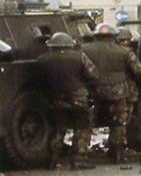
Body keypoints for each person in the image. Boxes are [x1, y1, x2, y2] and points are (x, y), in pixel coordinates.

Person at [82, 23, 141, 163]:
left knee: (87, 123)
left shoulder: (83, 50)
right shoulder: (124, 51)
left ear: (95, 35)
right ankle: (117, 152)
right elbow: (140, 72)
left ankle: (81, 155)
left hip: (93, 91)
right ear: (113, 36)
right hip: (118, 92)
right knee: (118, 122)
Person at [38, 32, 98, 170]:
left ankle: (53, 159)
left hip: (56, 97)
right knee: (81, 127)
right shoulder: (79, 56)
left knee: (59, 127)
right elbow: (93, 74)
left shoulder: (43, 59)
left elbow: (39, 79)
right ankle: (79, 159)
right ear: (69, 44)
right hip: (78, 97)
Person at [116, 27, 141, 123]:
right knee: (125, 117)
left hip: (110, 88)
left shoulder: (109, 50)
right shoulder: (128, 52)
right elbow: (139, 71)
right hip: (126, 88)